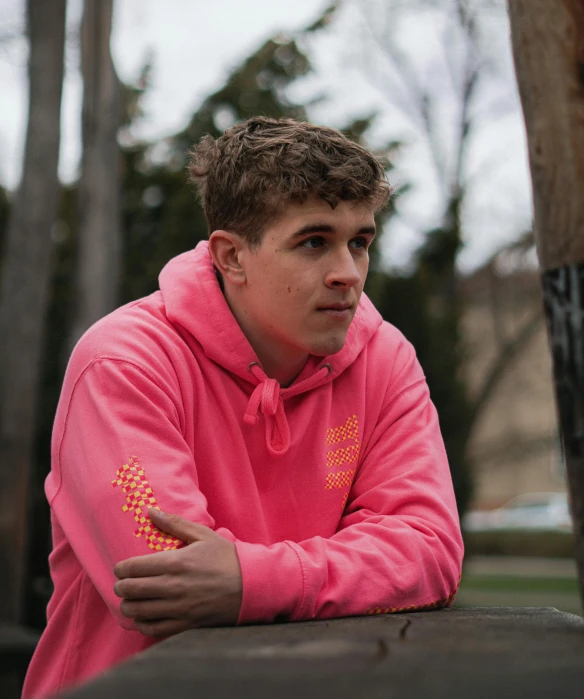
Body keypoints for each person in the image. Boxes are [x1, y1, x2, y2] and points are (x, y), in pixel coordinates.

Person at [23, 117, 463, 698]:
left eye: (359, 242)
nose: (348, 275)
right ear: (231, 257)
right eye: (314, 242)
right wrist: (352, 571)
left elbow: (429, 550)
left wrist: (256, 580)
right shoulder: (124, 363)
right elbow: (168, 584)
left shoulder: (385, 360)